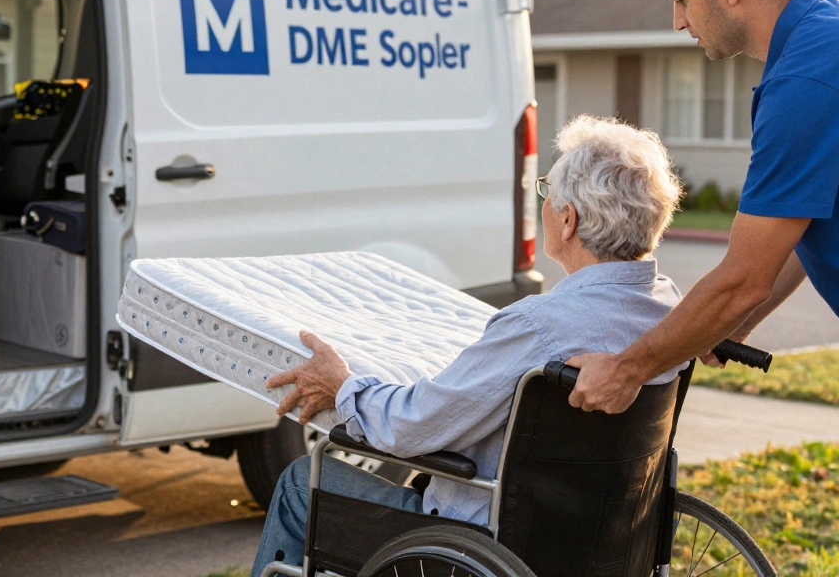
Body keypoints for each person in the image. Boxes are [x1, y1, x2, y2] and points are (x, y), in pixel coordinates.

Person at [564, 0, 839, 576]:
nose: (680, 22)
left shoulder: (810, 76)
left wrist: (628, 368)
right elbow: (795, 238)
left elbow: (744, 272)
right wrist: (731, 323)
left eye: (681, 0)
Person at [251, 115, 684, 577]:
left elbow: (414, 427)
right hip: (605, 540)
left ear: (567, 220)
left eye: (546, 194)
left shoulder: (540, 326)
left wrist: (343, 388)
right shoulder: (671, 313)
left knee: (302, 481)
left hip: (486, 545)